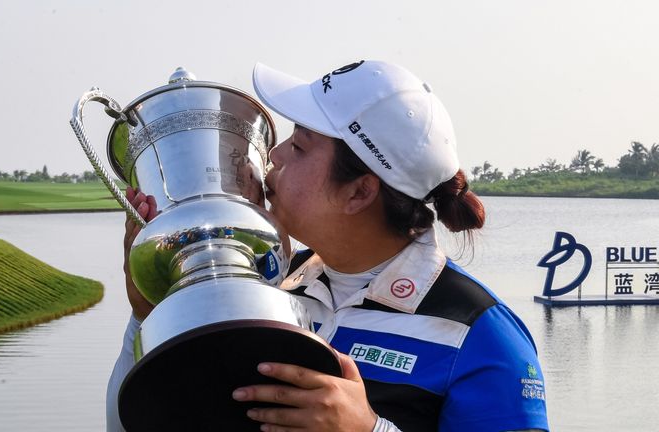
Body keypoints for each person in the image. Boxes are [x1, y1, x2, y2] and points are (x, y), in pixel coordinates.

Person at [107, 60, 549, 432]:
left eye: (299, 146)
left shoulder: (480, 335)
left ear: (359, 192)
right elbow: (137, 423)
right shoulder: (266, 291)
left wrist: (369, 430)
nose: (272, 156)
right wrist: (149, 315)